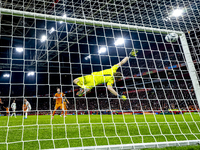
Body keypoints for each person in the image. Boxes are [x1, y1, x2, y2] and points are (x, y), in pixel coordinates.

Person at [73, 49, 138, 100]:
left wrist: (129, 56)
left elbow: (122, 62)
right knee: (84, 90)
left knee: (75, 80)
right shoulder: (111, 80)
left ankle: (83, 87)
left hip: (91, 76)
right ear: (116, 78)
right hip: (93, 83)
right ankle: (85, 88)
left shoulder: (113, 69)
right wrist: (118, 95)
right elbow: (109, 88)